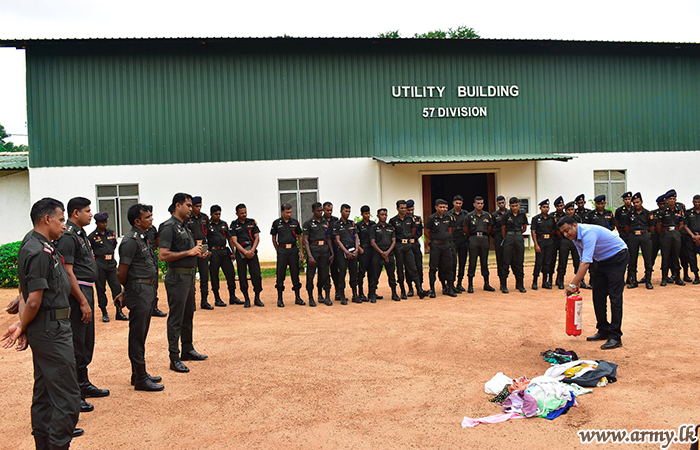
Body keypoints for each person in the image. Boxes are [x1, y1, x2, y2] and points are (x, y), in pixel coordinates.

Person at [2, 198, 83, 450]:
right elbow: (33, 299)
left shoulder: (39, 244)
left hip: (47, 327)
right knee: (68, 397)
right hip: (51, 330)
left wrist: (25, 323)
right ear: (46, 219)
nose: (63, 225)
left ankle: (44, 444)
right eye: (60, 220)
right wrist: (23, 325)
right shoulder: (37, 250)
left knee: (46, 392)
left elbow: (26, 291)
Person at [55, 197, 109, 413]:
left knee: (87, 339)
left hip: (86, 289)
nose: (90, 214)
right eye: (87, 211)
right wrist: (83, 301)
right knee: (78, 341)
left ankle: (83, 382)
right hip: (78, 294)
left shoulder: (80, 234)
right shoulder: (68, 236)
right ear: (75, 213)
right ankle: (75, 391)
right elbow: (68, 272)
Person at [561, 215, 629, 350]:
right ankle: (603, 329)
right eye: (563, 232)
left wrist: (572, 285)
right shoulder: (575, 237)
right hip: (601, 260)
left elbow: (586, 262)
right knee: (598, 295)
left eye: (567, 230)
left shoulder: (587, 233)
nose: (565, 234)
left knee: (615, 297)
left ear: (575, 225)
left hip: (617, 257)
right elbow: (583, 259)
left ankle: (615, 336)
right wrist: (578, 281)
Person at [159, 193, 209, 373]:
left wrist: (198, 253)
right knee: (176, 318)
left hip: (188, 277)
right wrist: (188, 253)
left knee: (188, 315)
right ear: (178, 205)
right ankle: (174, 357)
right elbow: (163, 255)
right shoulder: (168, 227)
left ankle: (187, 349)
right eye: (188, 205)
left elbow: (189, 250)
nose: (191, 208)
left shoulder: (184, 227)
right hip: (177, 278)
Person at [116, 204, 164, 391]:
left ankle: (138, 373)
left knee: (141, 332)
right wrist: (128, 290)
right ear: (137, 221)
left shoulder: (142, 237)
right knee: (137, 334)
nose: (151, 219)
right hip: (139, 289)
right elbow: (121, 272)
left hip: (147, 288)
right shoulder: (130, 241)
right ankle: (140, 377)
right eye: (148, 217)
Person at [87, 212, 125, 323]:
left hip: (111, 263)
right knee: (101, 288)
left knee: (116, 287)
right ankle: (104, 312)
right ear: (97, 223)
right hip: (100, 263)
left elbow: (114, 245)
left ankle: (119, 311)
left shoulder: (111, 233)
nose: (105, 224)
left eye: (106, 221)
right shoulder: (92, 237)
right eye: (102, 222)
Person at [390, 200, 426, 299]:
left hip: (408, 246)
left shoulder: (410, 219)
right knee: (400, 269)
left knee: (413, 268)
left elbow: (413, 231)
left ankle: (419, 289)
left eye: (405, 208)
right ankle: (403, 290)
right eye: (402, 208)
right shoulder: (393, 220)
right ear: (397, 208)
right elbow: (392, 235)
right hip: (399, 246)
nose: (404, 210)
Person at [230, 203, 264, 307]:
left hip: (252, 251)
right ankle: (247, 299)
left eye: (245, 212)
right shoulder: (234, 224)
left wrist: (252, 250)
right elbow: (234, 241)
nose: (244, 214)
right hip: (241, 253)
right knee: (242, 276)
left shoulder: (252, 222)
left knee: (257, 275)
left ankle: (257, 298)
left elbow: (257, 237)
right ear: (237, 213)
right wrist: (245, 252)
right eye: (241, 213)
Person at [270, 203, 305, 307]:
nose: (289, 214)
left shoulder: (295, 222)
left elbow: (300, 236)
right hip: (282, 251)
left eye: (290, 212)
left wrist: (301, 251)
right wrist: (278, 249)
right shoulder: (276, 223)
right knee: (280, 274)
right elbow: (273, 237)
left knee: (295, 274)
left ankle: (297, 297)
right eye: (287, 212)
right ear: (282, 212)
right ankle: (280, 298)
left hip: (293, 250)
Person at [209, 205, 243, 307]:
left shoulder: (223, 224)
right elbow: (204, 239)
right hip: (214, 252)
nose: (218, 216)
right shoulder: (207, 225)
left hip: (224, 251)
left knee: (231, 274)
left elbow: (229, 238)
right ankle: (217, 298)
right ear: (211, 214)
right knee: (214, 276)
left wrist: (233, 252)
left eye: (219, 214)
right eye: (216, 214)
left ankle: (232, 296)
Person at [303, 202, 334, 306]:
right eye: (318, 210)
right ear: (313, 211)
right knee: (311, 275)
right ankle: (311, 297)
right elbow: (306, 241)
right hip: (314, 250)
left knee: (325, 274)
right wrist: (310, 255)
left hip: (324, 251)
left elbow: (329, 238)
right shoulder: (308, 223)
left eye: (321, 210)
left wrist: (332, 252)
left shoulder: (326, 222)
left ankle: (327, 297)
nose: (320, 212)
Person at [184, 196, 212, 310]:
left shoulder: (204, 217)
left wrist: (208, 249)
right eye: (196, 206)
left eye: (200, 206)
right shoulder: (187, 218)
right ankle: (192, 302)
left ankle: (204, 301)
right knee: (191, 277)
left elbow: (209, 234)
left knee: (205, 276)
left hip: (203, 248)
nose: (198, 208)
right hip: (192, 249)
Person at [425, 199, 456, 298]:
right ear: (436, 207)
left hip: (446, 246)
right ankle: (432, 289)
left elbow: (450, 229)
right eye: (441, 207)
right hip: (436, 246)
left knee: (449, 267)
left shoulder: (449, 217)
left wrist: (445, 238)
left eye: (444, 207)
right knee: (433, 268)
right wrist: (434, 241)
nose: (443, 209)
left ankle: (450, 288)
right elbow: (427, 232)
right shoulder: (431, 218)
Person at [656, 189, 686, 286]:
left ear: (675, 200)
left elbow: (681, 224)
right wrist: (664, 234)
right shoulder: (663, 211)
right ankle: (664, 278)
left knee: (676, 256)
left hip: (676, 233)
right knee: (665, 256)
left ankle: (677, 277)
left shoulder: (679, 210)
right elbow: (659, 226)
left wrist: (677, 232)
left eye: (673, 199)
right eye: (670, 199)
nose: (672, 201)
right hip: (666, 234)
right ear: (667, 200)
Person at [465, 196, 494, 293]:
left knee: (484, 262)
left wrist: (484, 235)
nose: (480, 205)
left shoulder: (487, 215)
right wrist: (472, 236)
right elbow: (466, 229)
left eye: (481, 203)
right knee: (472, 262)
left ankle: (486, 283)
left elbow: (489, 228)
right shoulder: (469, 216)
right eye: (478, 203)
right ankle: (470, 285)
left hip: (484, 239)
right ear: (474, 204)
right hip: (473, 239)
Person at [556, 202, 588, 290]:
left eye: (572, 209)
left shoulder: (577, 218)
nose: (571, 211)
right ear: (565, 211)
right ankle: (560, 281)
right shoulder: (562, 220)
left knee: (577, 261)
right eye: (568, 210)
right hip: (565, 241)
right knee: (562, 261)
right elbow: (558, 231)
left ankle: (581, 281)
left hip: (576, 241)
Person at [333, 204, 361, 304]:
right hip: (342, 253)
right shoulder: (337, 224)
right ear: (341, 211)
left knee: (354, 273)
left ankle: (355, 295)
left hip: (353, 251)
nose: (348, 213)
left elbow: (356, 237)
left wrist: (357, 250)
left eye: (349, 211)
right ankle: (342, 296)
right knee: (342, 274)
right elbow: (337, 240)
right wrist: (346, 252)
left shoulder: (352, 224)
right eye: (346, 211)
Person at [625, 193, 654, 289]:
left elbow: (652, 227)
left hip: (645, 236)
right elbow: (626, 227)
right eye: (634, 203)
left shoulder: (648, 213)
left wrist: (645, 233)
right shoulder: (629, 214)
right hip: (633, 236)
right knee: (632, 259)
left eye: (638, 202)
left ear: (641, 202)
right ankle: (633, 281)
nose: (636, 204)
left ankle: (648, 281)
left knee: (648, 259)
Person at [370, 208, 399, 302]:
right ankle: (373, 295)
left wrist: (387, 253)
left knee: (392, 275)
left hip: (389, 253)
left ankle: (394, 294)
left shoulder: (390, 227)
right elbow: (372, 242)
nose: (384, 216)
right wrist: (382, 253)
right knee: (375, 275)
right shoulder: (374, 228)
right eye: (382, 215)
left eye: (385, 215)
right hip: (378, 254)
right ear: (378, 216)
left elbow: (394, 241)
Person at [501, 197, 528, 294]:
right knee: (506, 261)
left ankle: (520, 284)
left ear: (519, 205)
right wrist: (506, 238)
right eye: (512, 206)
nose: (515, 208)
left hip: (518, 236)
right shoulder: (506, 215)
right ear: (509, 206)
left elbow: (524, 228)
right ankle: (504, 285)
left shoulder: (522, 215)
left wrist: (518, 234)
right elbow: (503, 229)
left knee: (520, 261)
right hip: (509, 236)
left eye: (516, 205)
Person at [531, 199, 557, 290]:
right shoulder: (536, 219)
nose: (546, 209)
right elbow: (533, 232)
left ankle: (544, 282)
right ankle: (534, 282)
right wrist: (536, 244)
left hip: (549, 241)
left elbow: (554, 230)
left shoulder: (552, 218)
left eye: (547, 207)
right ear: (540, 208)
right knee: (539, 262)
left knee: (547, 262)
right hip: (540, 241)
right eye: (544, 207)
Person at [145, 221, 167, 317]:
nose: (150, 219)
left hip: (152, 258)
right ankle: (145, 308)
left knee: (155, 284)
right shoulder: (137, 231)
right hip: (143, 260)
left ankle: (154, 308)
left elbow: (157, 242)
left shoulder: (152, 229)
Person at [447, 195, 469, 293]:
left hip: (463, 240)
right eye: (457, 203)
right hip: (452, 240)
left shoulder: (465, 214)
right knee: (452, 263)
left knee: (462, 262)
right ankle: (451, 284)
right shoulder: (448, 214)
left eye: (460, 203)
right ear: (453, 203)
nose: (458, 205)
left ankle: (459, 283)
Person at [355, 205, 375, 302]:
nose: (367, 215)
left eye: (368, 213)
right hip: (363, 250)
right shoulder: (358, 225)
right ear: (362, 214)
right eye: (365, 214)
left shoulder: (373, 224)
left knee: (372, 273)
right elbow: (355, 238)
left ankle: (372, 293)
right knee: (362, 273)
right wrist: (359, 248)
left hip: (372, 250)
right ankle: (361, 293)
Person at [323, 202, 341, 300]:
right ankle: (323, 293)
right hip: (324, 248)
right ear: (323, 210)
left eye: (331, 210)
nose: (329, 212)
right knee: (324, 271)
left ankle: (337, 291)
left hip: (334, 247)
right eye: (327, 210)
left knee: (335, 271)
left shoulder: (336, 220)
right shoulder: (321, 220)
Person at [406, 199, 424, 297]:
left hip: (416, 245)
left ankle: (419, 286)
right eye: (409, 210)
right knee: (409, 268)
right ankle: (410, 288)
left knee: (419, 266)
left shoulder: (418, 219)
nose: (411, 212)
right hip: (407, 246)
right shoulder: (404, 220)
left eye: (412, 210)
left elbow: (420, 231)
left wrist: (415, 238)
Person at [647, 195, 667, 283]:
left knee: (666, 256)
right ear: (658, 204)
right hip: (655, 237)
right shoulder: (652, 213)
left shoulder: (668, 213)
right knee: (651, 256)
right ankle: (647, 275)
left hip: (665, 236)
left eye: (664, 204)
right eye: (661, 204)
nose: (663, 206)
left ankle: (666, 277)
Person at [492, 196, 508, 289]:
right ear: (497, 204)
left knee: (511, 259)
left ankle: (518, 283)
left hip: (509, 238)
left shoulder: (510, 213)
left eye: (503, 202)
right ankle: (502, 283)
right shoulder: (494, 215)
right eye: (499, 203)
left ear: (505, 203)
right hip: (498, 237)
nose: (501, 204)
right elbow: (491, 228)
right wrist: (497, 237)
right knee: (500, 260)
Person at [683, 195, 700, 285]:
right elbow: (685, 226)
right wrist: (693, 236)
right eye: (695, 202)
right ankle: (696, 276)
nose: (697, 203)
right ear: (693, 202)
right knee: (692, 258)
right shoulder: (689, 213)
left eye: (698, 202)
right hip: (691, 238)